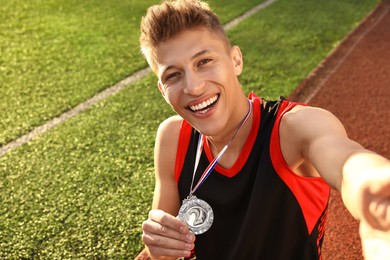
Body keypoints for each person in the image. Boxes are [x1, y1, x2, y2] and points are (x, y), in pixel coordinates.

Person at [136, 0, 390, 259]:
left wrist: (375, 191)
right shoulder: (172, 138)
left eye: (204, 61)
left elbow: (346, 162)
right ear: (162, 90)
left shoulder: (291, 128)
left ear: (235, 60)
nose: (193, 86)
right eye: (173, 75)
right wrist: (158, 247)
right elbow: (162, 248)